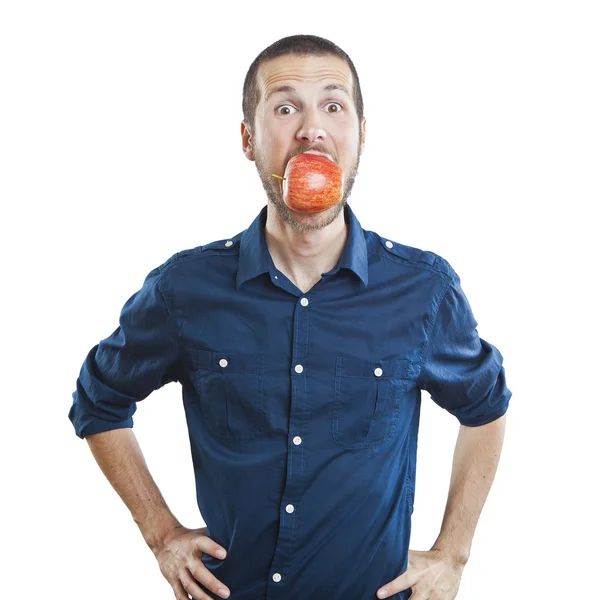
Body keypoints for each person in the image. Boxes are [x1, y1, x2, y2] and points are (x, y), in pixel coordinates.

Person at [68, 34, 512, 600]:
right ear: (249, 140)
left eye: (333, 105)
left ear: (360, 134)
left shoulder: (423, 289)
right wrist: (162, 534)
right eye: (285, 107)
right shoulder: (184, 289)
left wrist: (453, 552)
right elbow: (98, 399)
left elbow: (486, 405)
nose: (311, 128)